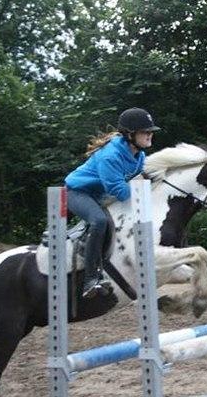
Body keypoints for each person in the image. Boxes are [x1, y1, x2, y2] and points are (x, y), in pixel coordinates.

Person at [65, 107, 161, 298]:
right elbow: (122, 192)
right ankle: (90, 280)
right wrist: (143, 182)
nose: (150, 135)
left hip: (100, 195)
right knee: (99, 221)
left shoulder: (138, 155)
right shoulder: (111, 156)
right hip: (77, 192)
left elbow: (138, 186)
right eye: (146, 131)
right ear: (130, 134)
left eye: (151, 131)